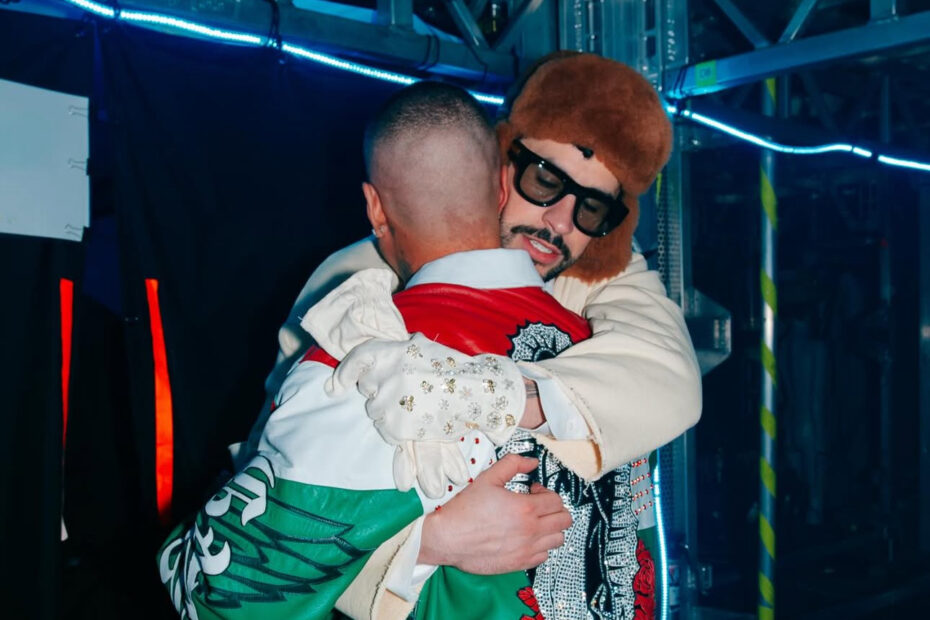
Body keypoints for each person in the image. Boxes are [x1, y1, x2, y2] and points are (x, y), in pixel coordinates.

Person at [252, 52, 701, 619]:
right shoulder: (360, 287)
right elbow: (274, 497)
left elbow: (671, 376)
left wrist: (501, 396)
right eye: (545, 181)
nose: (560, 223)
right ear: (498, 167)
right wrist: (425, 543)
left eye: (592, 208)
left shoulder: (599, 276)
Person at [158, 81, 585, 620]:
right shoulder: (603, 357)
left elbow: (216, 594)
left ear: (375, 208)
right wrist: (422, 543)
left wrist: (412, 548)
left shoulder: (362, 363)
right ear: (502, 187)